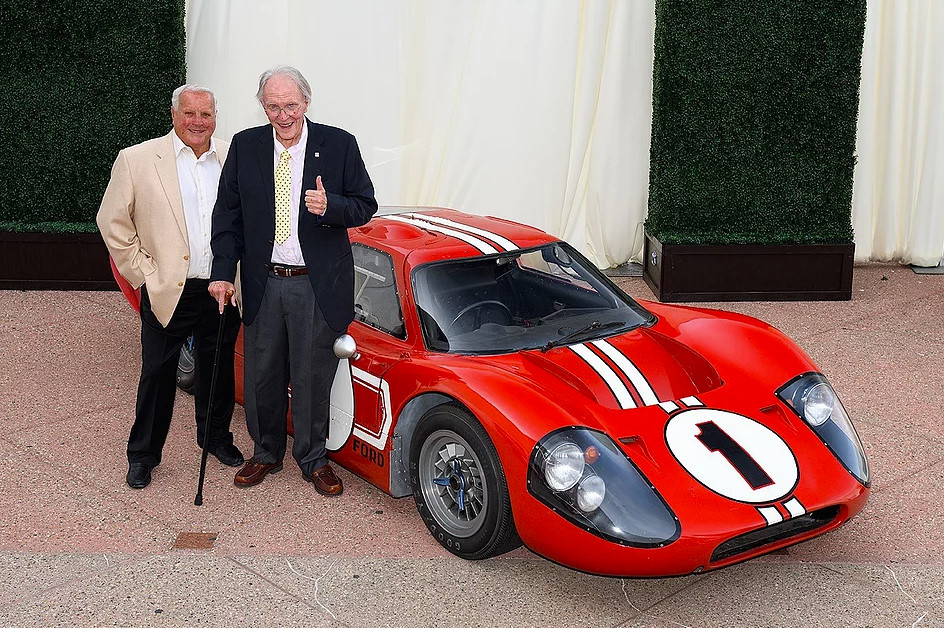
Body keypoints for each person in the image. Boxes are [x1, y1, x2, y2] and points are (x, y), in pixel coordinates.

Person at [209, 66, 377, 496]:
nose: (282, 115)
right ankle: (265, 453)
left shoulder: (338, 144)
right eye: (273, 106)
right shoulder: (246, 146)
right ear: (262, 106)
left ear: (306, 101)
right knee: (262, 375)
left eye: (290, 105)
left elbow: (365, 204)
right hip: (263, 281)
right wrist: (223, 274)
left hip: (314, 284)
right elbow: (227, 215)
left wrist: (332, 205)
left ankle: (313, 458)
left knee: (311, 376)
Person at [98, 85, 244, 490]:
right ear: (174, 114)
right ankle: (143, 455)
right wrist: (143, 274)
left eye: (207, 114)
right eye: (190, 113)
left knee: (216, 370)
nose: (198, 122)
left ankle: (215, 438)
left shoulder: (235, 156)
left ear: (216, 116)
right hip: (168, 289)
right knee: (158, 374)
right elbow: (112, 222)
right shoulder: (137, 159)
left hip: (222, 288)